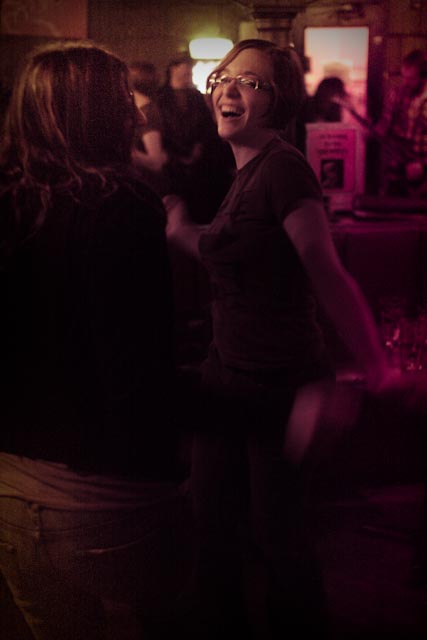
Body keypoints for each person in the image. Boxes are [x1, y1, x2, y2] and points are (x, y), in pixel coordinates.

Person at [163, 38, 400, 638]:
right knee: (212, 524)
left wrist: (373, 367)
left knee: (278, 539)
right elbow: (227, 247)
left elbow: (325, 270)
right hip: (227, 373)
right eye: (222, 77)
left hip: (277, 381)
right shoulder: (244, 171)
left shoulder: (283, 168)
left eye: (250, 82)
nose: (228, 89)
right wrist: (181, 229)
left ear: (280, 101)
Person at [0, 40, 192, 640]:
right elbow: (136, 378)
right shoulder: (118, 206)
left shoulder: (10, 202)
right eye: (122, 98)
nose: (136, 111)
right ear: (95, 114)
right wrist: (270, 411)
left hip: (11, 491)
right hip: (108, 501)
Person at [156, 52, 233, 224]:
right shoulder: (161, 98)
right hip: (173, 164)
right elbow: (162, 129)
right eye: (185, 71)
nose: (188, 75)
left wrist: (199, 147)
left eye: (189, 72)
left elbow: (207, 126)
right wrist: (176, 155)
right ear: (173, 69)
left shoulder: (196, 97)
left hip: (200, 165)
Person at [374, 48, 427, 197]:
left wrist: (422, 165)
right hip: (397, 166)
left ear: (424, 77)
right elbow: (384, 126)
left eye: (411, 79)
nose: (405, 83)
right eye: (404, 77)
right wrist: (369, 131)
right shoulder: (397, 93)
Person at [128, 60, 170, 196]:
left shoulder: (148, 112)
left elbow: (155, 162)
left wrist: (126, 151)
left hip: (150, 187)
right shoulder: (143, 108)